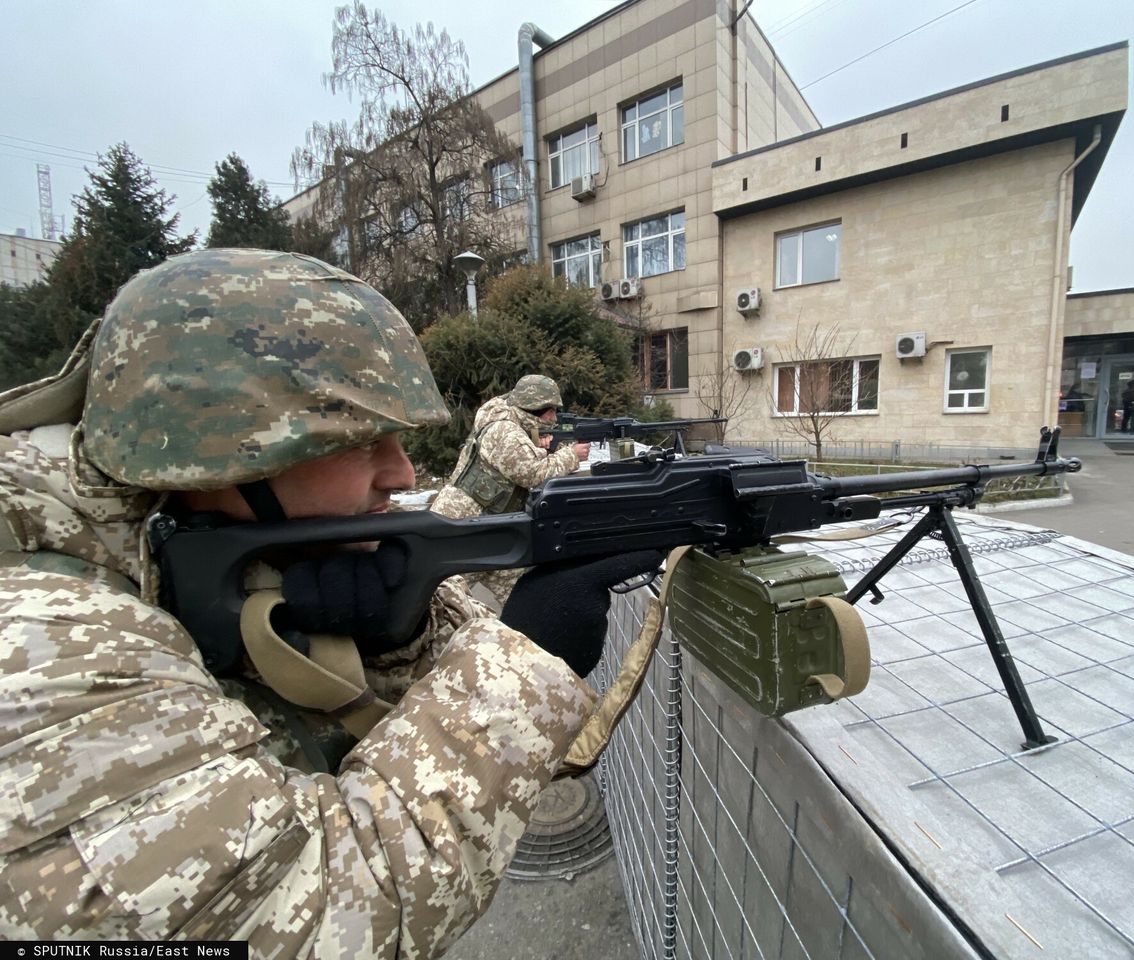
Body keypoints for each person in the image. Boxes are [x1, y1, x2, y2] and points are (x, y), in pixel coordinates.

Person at [0, 249, 658, 954]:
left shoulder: (182, 551)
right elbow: (310, 916)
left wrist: (388, 645)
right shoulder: (46, 636)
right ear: (219, 451)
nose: (401, 472)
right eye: (361, 441)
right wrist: (523, 668)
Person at [431, 374, 590, 604]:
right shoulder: (505, 431)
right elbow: (533, 474)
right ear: (534, 407)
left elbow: (518, 462)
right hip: (463, 534)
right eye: (551, 411)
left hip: (490, 529)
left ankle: (531, 632)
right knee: (442, 602)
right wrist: (571, 455)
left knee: (527, 599)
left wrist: (539, 447)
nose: (554, 417)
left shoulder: (510, 421)